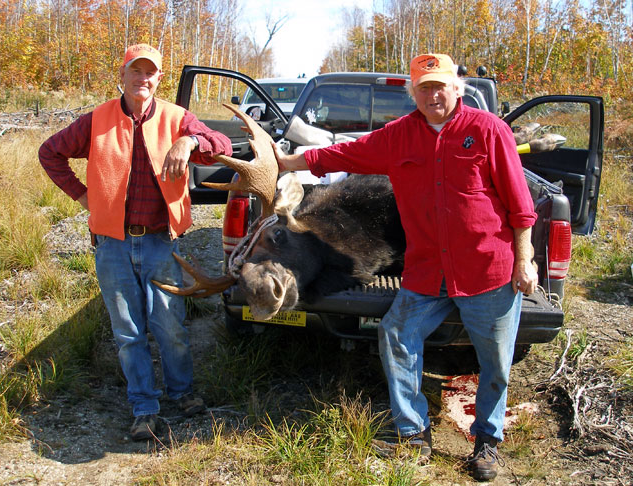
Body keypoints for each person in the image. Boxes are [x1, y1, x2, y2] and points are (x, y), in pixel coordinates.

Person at [273, 53, 538, 481]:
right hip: (428, 271)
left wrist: (525, 258)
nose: (433, 94)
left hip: (488, 269)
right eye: (424, 87)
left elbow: (520, 204)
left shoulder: (489, 131)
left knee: (495, 361)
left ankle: (487, 442)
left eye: (440, 85)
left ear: (458, 87)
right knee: (396, 334)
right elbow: (346, 153)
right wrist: (289, 163)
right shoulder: (398, 136)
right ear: (412, 92)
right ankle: (413, 434)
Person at [39, 43, 233, 441]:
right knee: (127, 331)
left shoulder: (178, 119)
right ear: (122, 76)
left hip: (161, 242)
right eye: (135, 71)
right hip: (113, 244)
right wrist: (82, 197)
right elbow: (50, 153)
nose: (142, 78)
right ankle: (144, 407)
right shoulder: (97, 120)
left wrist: (190, 142)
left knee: (170, 325)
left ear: (159, 79)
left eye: (150, 73)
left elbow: (223, 145)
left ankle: (182, 393)